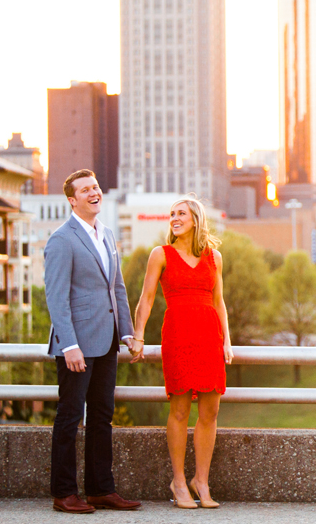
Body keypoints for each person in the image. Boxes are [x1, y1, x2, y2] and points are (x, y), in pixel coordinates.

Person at [45, 169, 142, 513]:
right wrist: (69, 345)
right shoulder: (62, 239)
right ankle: (64, 493)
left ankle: (101, 489)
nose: (93, 193)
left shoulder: (107, 235)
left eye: (96, 187)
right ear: (72, 200)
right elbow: (56, 297)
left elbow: (116, 288)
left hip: (108, 341)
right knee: (70, 417)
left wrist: (127, 333)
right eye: (85, 190)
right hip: (76, 346)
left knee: (102, 417)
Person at [130, 196, 233, 509]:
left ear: (195, 219)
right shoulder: (160, 254)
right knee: (178, 409)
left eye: (181, 214)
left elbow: (219, 302)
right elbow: (146, 299)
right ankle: (178, 480)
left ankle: (201, 480)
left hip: (209, 337)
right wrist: (138, 336)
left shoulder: (214, 257)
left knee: (210, 411)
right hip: (177, 335)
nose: (174, 218)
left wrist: (226, 340)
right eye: (172, 214)